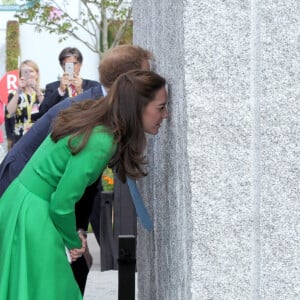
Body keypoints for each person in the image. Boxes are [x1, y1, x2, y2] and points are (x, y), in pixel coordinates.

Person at [0, 69, 168, 300]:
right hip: (34, 215)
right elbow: (61, 204)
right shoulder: (102, 139)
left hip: (21, 202)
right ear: (137, 107)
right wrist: (73, 241)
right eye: (160, 107)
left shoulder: (94, 117)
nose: (166, 114)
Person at [38, 47, 100, 116]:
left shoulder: (93, 86)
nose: (71, 67)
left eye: (74, 63)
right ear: (62, 66)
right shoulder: (52, 87)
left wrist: (80, 92)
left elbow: (98, 110)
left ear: (80, 64)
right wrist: (60, 91)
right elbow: (43, 111)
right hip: (61, 125)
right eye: (67, 65)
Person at [5, 60, 44, 147]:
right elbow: (10, 112)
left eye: (31, 71)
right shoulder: (14, 94)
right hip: (20, 138)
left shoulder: (43, 92)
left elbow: (47, 109)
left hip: (38, 137)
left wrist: (37, 90)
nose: (29, 74)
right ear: (21, 75)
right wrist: (19, 91)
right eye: (25, 72)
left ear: (37, 74)